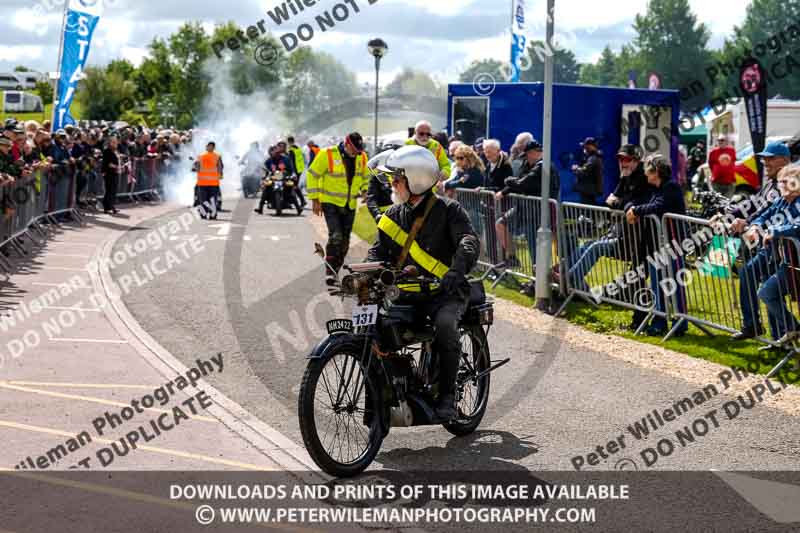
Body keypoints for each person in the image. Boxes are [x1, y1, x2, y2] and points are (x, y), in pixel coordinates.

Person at [366, 145, 479, 420]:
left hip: (445, 292)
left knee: (444, 325)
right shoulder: (392, 215)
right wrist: (365, 274)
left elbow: (468, 241)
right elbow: (377, 253)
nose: (392, 184)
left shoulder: (449, 209)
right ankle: (382, 398)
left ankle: (447, 396)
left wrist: (455, 272)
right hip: (406, 294)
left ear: (415, 180)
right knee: (373, 328)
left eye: (397, 179)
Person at [734, 165, 800, 341]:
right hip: (789, 263)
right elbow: (763, 216)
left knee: (767, 292)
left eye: (785, 182)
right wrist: (756, 226)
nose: (781, 186)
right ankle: (792, 329)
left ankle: (789, 335)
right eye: (780, 182)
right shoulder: (781, 201)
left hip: (795, 262)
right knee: (766, 293)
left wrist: (775, 231)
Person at [625, 154, 688, 336]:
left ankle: (680, 323)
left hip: (674, 244)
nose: (645, 174)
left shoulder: (671, 187)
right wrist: (632, 208)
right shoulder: (657, 189)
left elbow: (659, 207)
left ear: (656, 172)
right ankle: (659, 320)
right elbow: (644, 203)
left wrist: (636, 210)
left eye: (648, 170)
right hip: (659, 246)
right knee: (657, 284)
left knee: (674, 283)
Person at [307, 132, 370, 285]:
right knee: (336, 236)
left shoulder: (361, 157)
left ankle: (335, 269)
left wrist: (365, 190)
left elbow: (365, 177)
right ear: (346, 144)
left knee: (345, 242)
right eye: (354, 149)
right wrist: (315, 199)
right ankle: (329, 272)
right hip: (330, 203)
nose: (356, 153)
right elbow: (312, 174)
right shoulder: (327, 154)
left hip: (350, 204)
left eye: (358, 150)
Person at [494, 140, 560, 279]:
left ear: (534, 153)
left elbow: (521, 183)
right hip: (524, 207)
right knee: (501, 223)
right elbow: (518, 181)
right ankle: (512, 258)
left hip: (538, 211)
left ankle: (540, 280)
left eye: (528, 155)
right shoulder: (528, 164)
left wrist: (508, 181)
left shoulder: (542, 166)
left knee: (534, 246)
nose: (526, 159)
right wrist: (504, 191)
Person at [255, 145, 301, 215]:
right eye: (274, 152)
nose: (276, 153)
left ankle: (298, 208)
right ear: (271, 153)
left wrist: (293, 175)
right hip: (273, 178)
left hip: (284, 178)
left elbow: (292, 169)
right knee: (266, 188)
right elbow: (264, 169)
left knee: (291, 188)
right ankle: (260, 208)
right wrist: (263, 175)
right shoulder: (268, 161)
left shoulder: (286, 159)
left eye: (277, 152)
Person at [192, 141, 223, 220]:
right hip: (212, 183)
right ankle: (212, 215)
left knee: (203, 200)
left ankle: (204, 214)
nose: (209, 147)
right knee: (212, 200)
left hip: (203, 183)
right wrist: (220, 175)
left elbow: (196, 168)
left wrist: (195, 169)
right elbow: (220, 168)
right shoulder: (217, 156)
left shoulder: (200, 156)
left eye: (209, 146)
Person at [572, 137, 604, 205]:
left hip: (589, 190)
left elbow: (583, 171)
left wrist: (576, 168)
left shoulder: (593, 159)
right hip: (588, 190)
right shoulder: (592, 158)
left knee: (587, 208)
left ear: (590, 147)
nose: (584, 149)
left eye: (585, 147)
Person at [366, 150, 394, 222]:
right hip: (384, 217)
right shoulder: (376, 178)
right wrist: (377, 214)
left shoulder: (401, 175)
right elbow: (371, 198)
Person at [101, 135, 120, 215]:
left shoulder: (115, 151)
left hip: (114, 172)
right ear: (110, 143)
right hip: (109, 173)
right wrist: (117, 166)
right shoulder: (107, 151)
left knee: (113, 190)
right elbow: (108, 163)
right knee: (109, 190)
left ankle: (110, 206)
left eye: (116, 142)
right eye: (113, 142)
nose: (115, 143)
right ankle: (108, 207)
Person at [287, 136, 306, 207]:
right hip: (299, 169)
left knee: (293, 186)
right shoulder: (297, 148)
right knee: (294, 186)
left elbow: (291, 161)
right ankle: (298, 201)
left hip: (295, 170)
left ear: (289, 142)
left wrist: (293, 171)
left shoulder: (291, 150)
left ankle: (301, 201)